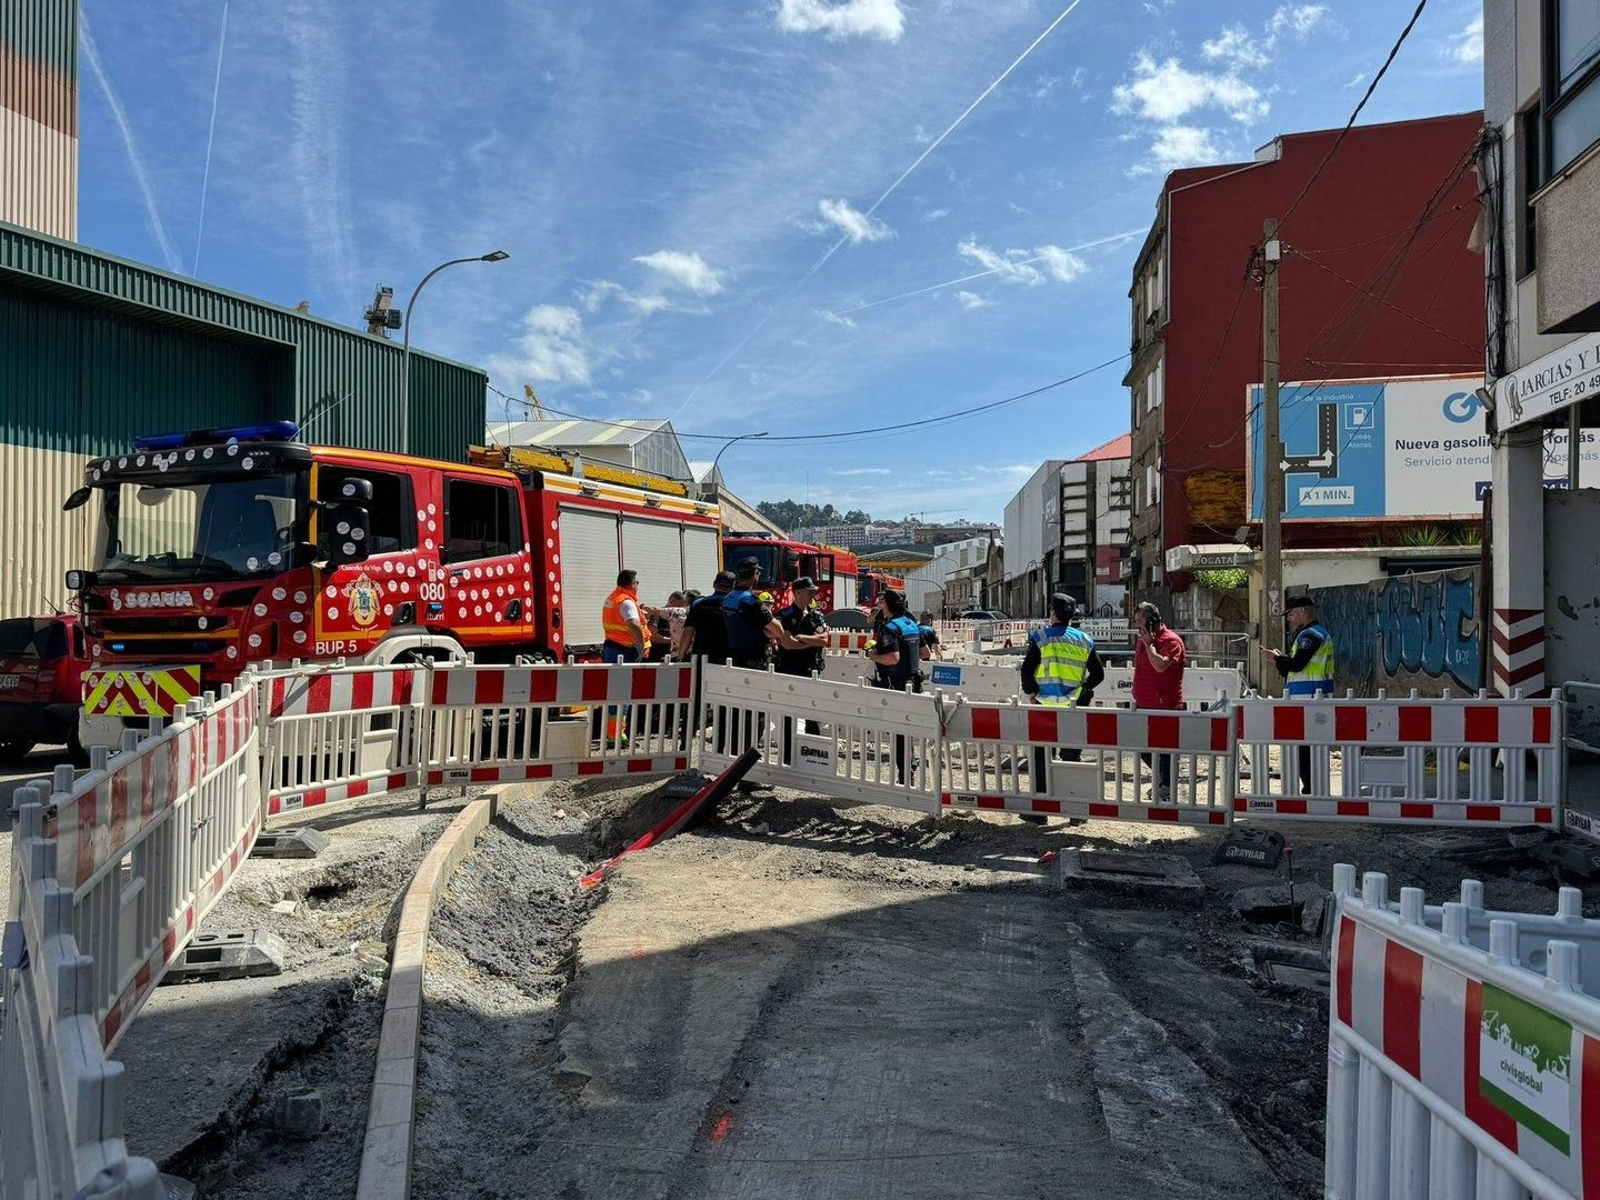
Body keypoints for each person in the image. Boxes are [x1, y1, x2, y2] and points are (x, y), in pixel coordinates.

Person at [1020, 593, 1105, 818]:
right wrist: (1083, 690)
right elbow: (1098, 674)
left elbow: (1027, 671)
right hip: (1073, 708)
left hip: (1044, 705)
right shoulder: (1084, 640)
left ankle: (1040, 811)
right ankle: (1076, 811)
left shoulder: (1041, 638)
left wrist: (1031, 692)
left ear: (1053, 613)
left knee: (1041, 756)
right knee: (1071, 757)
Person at [1269, 596, 1335, 794]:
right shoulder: (1310, 633)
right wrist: (1279, 660)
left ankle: (1312, 789)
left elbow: (1298, 664)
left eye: (1290, 613)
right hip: (1309, 697)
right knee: (1305, 749)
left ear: (1302, 611)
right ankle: (1312, 788)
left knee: (1306, 750)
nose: (1289, 618)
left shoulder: (1311, 635)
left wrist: (1277, 658)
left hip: (1310, 698)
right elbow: (1294, 668)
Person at [1132, 601, 1187, 802]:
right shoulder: (1143, 640)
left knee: (1166, 750)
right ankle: (1164, 780)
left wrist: (1149, 644)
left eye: (1140, 621)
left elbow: (1160, 666)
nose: (1136, 625)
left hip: (1166, 705)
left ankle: (1167, 786)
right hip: (1144, 702)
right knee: (1141, 745)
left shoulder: (1171, 641)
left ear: (1152, 620)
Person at [772, 576, 830, 765]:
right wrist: (811, 641)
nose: (813, 594)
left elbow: (824, 639)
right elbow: (787, 644)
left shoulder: (816, 615)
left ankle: (812, 758)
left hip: (811, 670)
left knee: (813, 714)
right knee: (789, 716)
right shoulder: (785, 615)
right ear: (796, 593)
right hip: (790, 670)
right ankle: (789, 757)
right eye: (809, 591)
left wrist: (802, 638)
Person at [867, 589, 924, 783]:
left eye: (883, 603)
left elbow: (892, 658)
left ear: (888, 605)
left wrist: (874, 655)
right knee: (908, 729)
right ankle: (912, 765)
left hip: (898, 684)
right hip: (915, 681)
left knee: (899, 731)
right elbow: (925, 653)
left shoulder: (891, 628)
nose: (881, 606)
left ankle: (904, 776)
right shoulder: (911, 624)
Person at [600, 569, 649, 664]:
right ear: (632, 584)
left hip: (610, 648)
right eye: (637, 583)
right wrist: (640, 646)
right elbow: (634, 624)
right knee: (626, 678)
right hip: (623, 652)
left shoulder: (612, 599)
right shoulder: (626, 602)